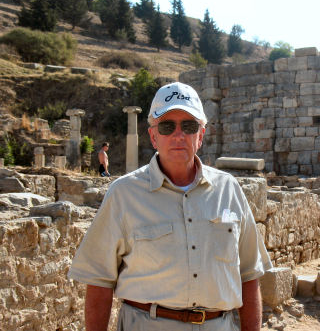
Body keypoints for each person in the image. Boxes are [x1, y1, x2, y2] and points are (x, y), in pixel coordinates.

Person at [68, 82, 272, 331]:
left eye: (189, 126)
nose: (179, 135)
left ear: (201, 135)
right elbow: (99, 280)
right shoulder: (124, 194)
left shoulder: (229, 190)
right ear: (153, 136)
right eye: (167, 126)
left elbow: (249, 275)